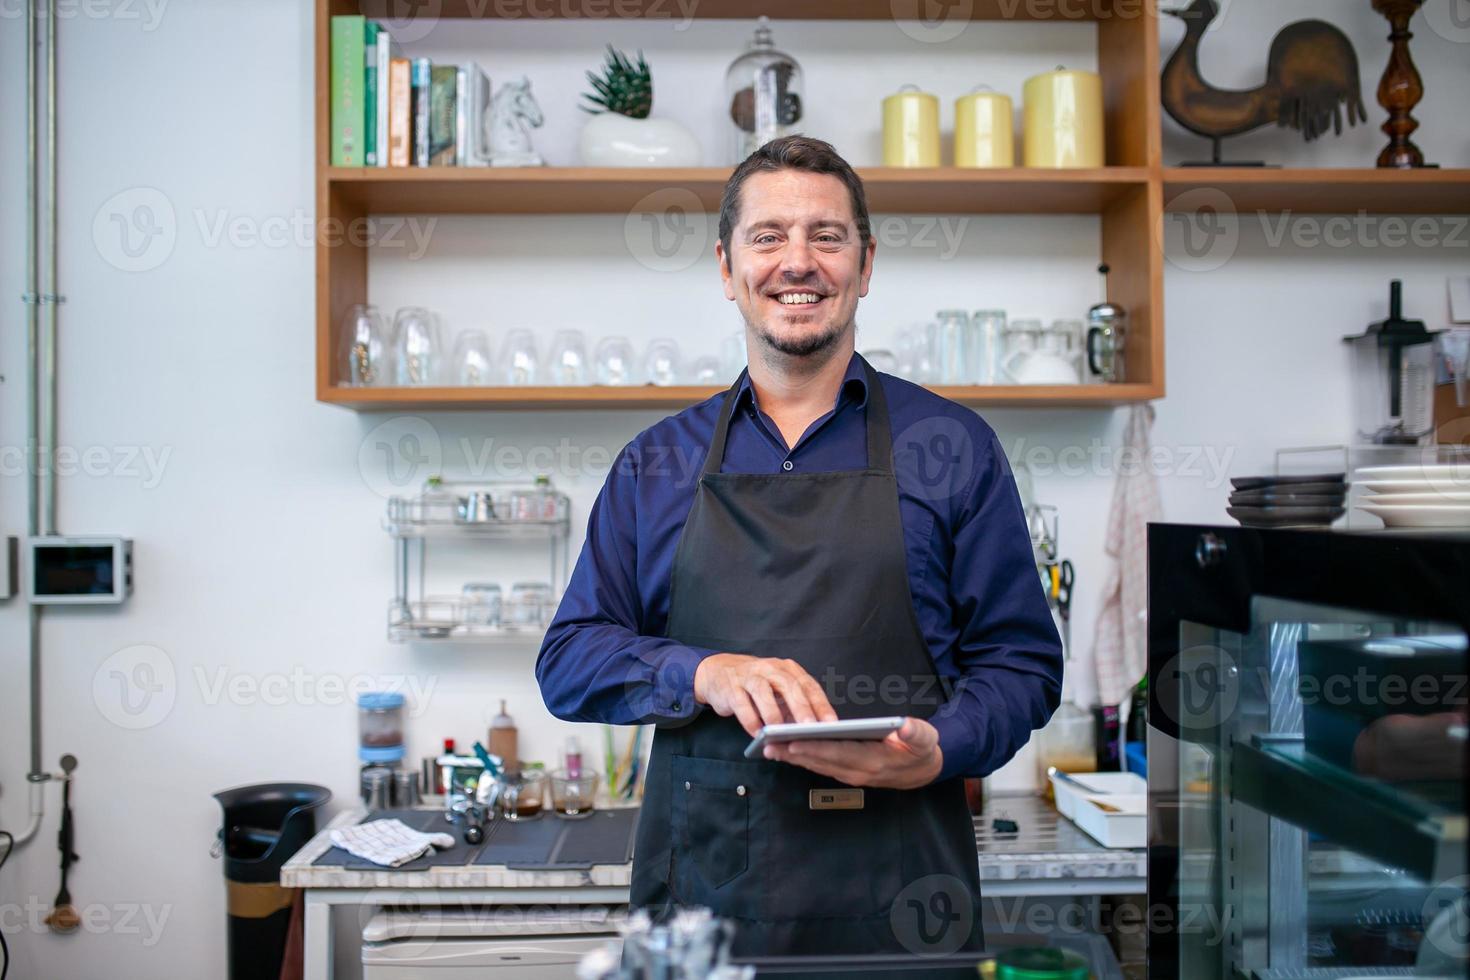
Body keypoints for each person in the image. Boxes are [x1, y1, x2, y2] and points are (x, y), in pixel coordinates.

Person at [536, 134, 1062, 957]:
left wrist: (941, 752)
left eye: (827, 235)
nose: (798, 261)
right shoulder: (657, 463)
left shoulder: (953, 447)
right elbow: (569, 660)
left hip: (903, 904)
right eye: (768, 236)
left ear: (865, 261)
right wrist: (704, 671)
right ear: (726, 267)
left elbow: (1023, 666)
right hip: (705, 909)